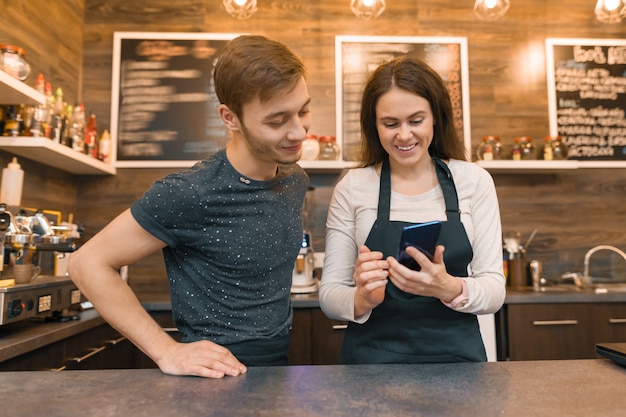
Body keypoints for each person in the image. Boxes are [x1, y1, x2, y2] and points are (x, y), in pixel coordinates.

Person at [69, 35, 312, 377]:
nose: (299, 132)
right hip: (213, 376)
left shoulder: (294, 179)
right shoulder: (190, 192)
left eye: (303, 110)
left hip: (277, 366)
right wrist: (166, 350)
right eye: (277, 121)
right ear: (230, 118)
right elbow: (86, 264)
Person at [318, 56, 505, 364]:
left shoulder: (473, 181)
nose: (404, 135)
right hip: (371, 366)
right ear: (373, 125)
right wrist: (363, 298)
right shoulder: (353, 187)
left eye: (416, 121)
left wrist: (449, 287)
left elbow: (494, 289)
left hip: (457, 364)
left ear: (436, 118)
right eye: (390, 124)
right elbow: (330, 295)